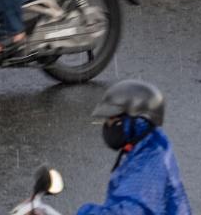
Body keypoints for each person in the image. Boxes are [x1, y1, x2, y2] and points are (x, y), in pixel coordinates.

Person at [79, 80, 193, 215]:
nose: (107, 125)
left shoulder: (148, 164)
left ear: (135, 121)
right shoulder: (144, 147)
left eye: (112, 119)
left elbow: (130, 211)